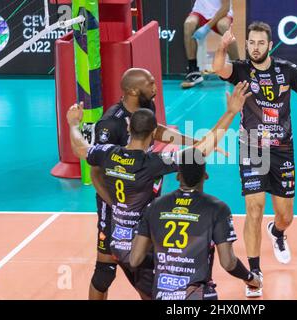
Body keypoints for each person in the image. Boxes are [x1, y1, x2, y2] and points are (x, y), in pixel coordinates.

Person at [67, 81, 252, 299]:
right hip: (143, 246)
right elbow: (198, 152)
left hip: (117, 242)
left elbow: (81, 148)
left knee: (117, 278)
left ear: (128, 128)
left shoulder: (107, 153)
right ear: (153, 133)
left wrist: (72, 125)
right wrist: (230, 113)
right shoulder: (151, 163)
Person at [212, 21, 297, 297]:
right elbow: (219, 68)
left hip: (282, 149)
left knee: (285, 216)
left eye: (260, 43)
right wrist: (222, 47)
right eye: (251, 42)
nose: (254, 48)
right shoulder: (240, 69)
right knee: (254, 208)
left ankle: (276, 232)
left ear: (269, 44)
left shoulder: (287, 71)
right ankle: (254, 273)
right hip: (251, 146)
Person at [88, 68, 212, 300]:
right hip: (114, 208)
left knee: (152, 268)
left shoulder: (146, 107)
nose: (156, 87)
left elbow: (155, 131)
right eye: (151, 83)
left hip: (143, 203)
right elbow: (96, 173)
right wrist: (115, 204)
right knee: (105, 273)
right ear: (133, 90)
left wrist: (191, 141)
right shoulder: (110, 123)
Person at [130, 150, 261, 300]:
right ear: (205, 176)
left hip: (162, 294)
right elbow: (228, 263)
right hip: (197, 294)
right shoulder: (217, 209)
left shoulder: (154, 206)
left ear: (178, 175)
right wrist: (250, 278)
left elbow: (135, 259)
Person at [181, 0, 239, 89]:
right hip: (201, 12)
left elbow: (226, 7)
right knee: (189, 24)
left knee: (223, 27)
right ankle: (193, 72)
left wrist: (207, 26)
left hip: (221, 14)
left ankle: (238, 70)